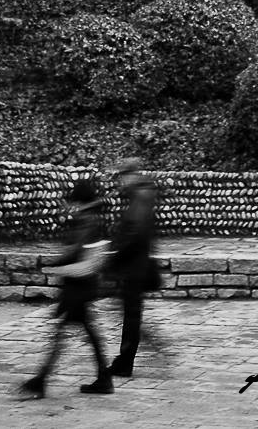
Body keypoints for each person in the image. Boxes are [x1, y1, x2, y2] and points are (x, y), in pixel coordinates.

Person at [19, 178, 113, 399]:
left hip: (77, 283)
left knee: (62, 332)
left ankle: (40, 381)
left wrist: (53, 264)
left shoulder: (85, 219)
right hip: (85, 282)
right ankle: (103, 377)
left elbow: (76, 249)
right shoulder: (95, 217)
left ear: (78, 200)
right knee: (87, 331)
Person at [106, 160, 160, 379]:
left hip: (133, 267)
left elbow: (135, 233)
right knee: (131, 315)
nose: (120, 182)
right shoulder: (143, 196)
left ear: (130, 175)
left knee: (131, 316)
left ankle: (125, 362)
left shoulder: (140, 198)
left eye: (122, 177)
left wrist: (116, 256)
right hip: (136, 265)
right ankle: (124, 360)